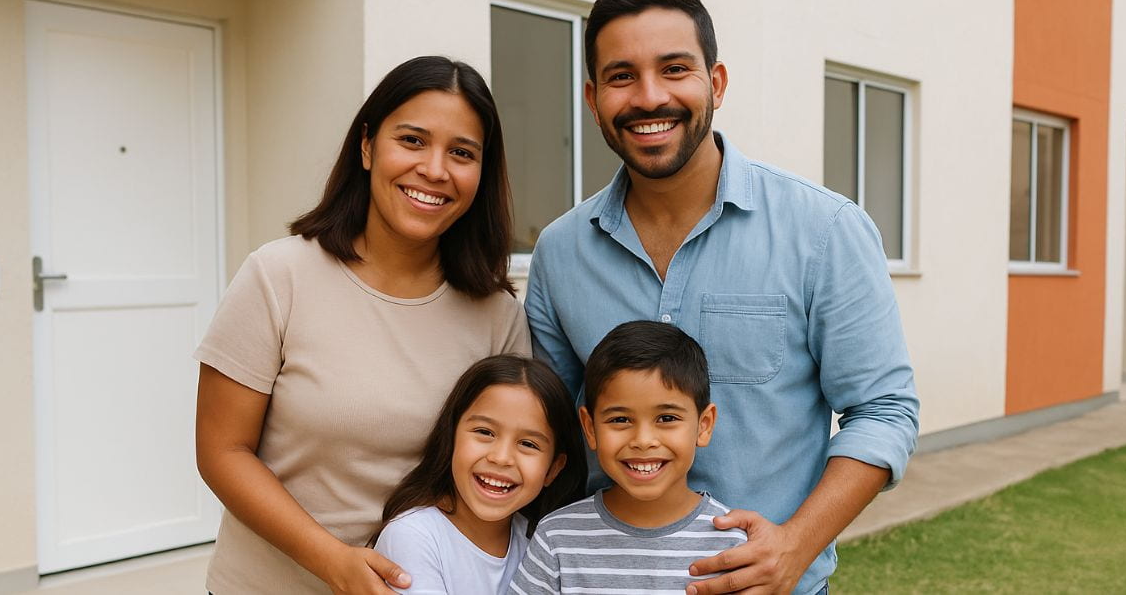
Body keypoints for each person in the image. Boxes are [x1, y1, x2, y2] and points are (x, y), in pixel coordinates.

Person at [524, 0, 920, 595]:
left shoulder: (824, 230)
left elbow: (883, 409)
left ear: (716, 83)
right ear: (593, 98)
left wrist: (795, 545)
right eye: (622, 76)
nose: (650, 96)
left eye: (675, 69)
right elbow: (558, 429)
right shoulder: (559, 253)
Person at [195, 56, 529, 595]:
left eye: (462, 153)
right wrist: (334, 561)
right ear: (368, 146)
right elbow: (222, 452)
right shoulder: (278, 275)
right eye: (413, 140)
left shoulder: (499, 317)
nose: (435, 170)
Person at [511, 321, 746, 594]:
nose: (643, 441)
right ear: (590, 428)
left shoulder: (732, 546)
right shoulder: (557, 539)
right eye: (620, 419)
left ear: (704, 425)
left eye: (667, 418)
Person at [370, 354, 586, 594]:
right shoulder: (413, 535)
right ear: (451, 438)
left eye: (528, 444)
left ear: (553, 469)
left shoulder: (542, 543)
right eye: (485, 432)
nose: (501, 457)